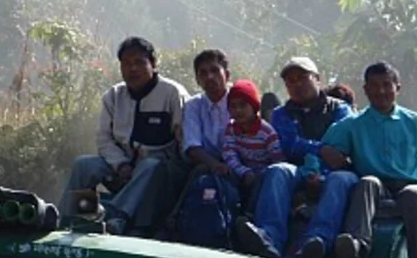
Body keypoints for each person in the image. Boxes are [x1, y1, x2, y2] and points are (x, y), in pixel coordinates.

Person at [321, 62, 417, 258]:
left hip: (413, 185)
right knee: (367, 182)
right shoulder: (354, 124)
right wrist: (329, 154)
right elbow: (324, 148)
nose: (381, 92)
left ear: (398, 88)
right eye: (375, 86)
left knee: (415, 195)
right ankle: (357, 247)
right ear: (365, 90)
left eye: (386, 85)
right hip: (378, 187)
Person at [59, 37, 189, 235]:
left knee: (151, 165)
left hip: (159, 173)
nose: (132, 69)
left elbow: (183, 140)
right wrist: (120, 164)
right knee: (84, 164)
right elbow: (104, 139)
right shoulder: (113, 96)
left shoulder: (172, 94)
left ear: (153, 64)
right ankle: (75, 217)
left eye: (139, 62)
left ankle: (115, 216)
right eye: (126, 64)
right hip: (121, 167)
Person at [234, 57, 357, 258]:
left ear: (317, 79)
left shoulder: (340, 109)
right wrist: (322, 148)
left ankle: (317, 240)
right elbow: (288, 145)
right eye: (290, 81)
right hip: (298, 169)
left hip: (334, 172)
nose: (296, 85)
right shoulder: (281, 114)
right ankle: (269, 237)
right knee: (278, 171)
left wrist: (321, 163)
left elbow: (341, 146)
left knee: (341, 179)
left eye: (302, 78)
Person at [179, 48, 240, 211]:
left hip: (240, 161)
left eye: (214, 70)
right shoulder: (193, 105)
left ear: (226, 75)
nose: (209, 77)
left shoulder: (240, 100)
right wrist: (215, 165)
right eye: (203, 73)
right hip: (206, 163)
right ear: (197, 80)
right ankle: (175, 218)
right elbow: (192, 147)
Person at [222, 79, 284, 204]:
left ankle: (250, 214)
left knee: (263, 181)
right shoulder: (231, 128)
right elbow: (229, 154)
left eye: (243, 105)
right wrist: (244, 171)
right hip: (242, 172)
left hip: (262, 175)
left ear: (254, 106)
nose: (238, 110)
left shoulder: (267, 132)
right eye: (233, 106)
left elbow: (278, 161)